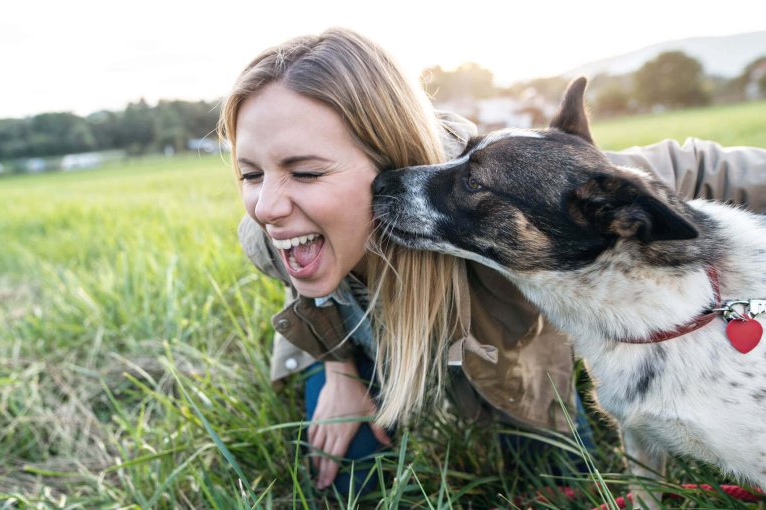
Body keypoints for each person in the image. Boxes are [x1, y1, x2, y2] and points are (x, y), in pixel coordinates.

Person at [218, 27, 766, 495]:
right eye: (250, 174)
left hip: (504, 365)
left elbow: (693, 166)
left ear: (387, 153)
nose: (267, 206)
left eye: (306, 172)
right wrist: (335, 370)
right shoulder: (271, 232)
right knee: (347, 479)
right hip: (372, 348)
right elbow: (308, 285)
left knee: (554, 479)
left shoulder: (519, 181)